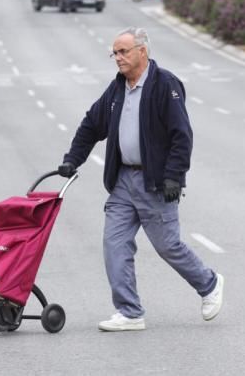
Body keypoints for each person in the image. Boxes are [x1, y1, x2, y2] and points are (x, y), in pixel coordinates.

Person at [58, 27, 223, 332]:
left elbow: (181, 136)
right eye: (114, 53)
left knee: (168, 246)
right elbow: (92, 124)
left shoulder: (165, 85)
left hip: (156, 183)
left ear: (142, 51)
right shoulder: (118, 88)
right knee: (114, 243)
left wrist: (174, 177)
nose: (117, 58)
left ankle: (209, 283)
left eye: (123, 52)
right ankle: (130, 311)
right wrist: (72, 159)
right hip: (123, 181)